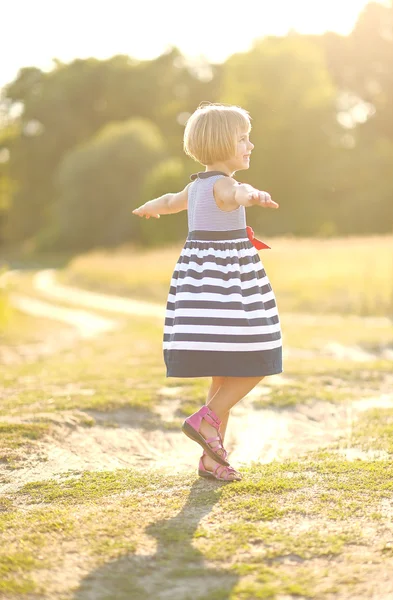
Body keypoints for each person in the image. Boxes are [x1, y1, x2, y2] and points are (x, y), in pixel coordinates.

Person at [132, 102, 282, 481]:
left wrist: (150, 207)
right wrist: (255, 196)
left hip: (201, 287)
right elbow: (239, 193)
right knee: (262, 352)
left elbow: (168, 202)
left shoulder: (195, 186)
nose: (250, 145)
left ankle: (212, 459)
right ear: (220, 144)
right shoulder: (225, 184)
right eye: (243, 139)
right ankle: (206, 419)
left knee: (223, 372)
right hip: (228, 286)